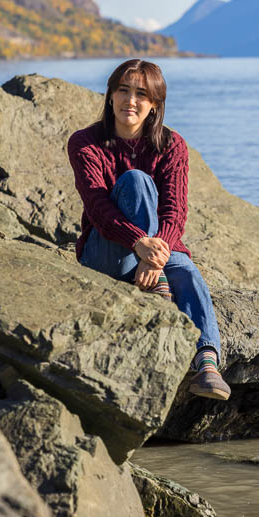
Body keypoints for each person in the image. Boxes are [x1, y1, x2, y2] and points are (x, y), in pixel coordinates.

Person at [67, 59, 230, 401]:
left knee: (185, 269)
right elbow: (98, 208)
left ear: (154, 104)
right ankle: (161, 281)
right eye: (123, 90)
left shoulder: (172, 146)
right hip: (106, 252)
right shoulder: (85, 143)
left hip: (154, 256)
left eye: (142, 94)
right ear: (110, 95)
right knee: (136, 181)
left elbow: (175, 212)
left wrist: (155, 259)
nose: (131, 100)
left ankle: (207, 365)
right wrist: (138, 243)